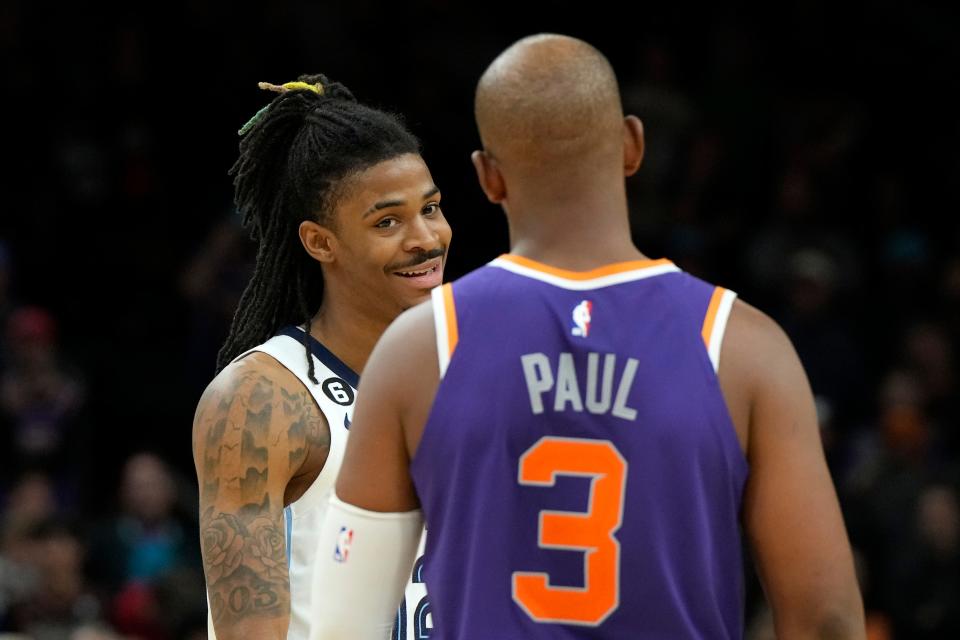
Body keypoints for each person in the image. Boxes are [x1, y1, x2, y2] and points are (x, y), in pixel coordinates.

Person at [310, 35, 866, 639]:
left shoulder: (417, 349)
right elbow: (826, 620)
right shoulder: (744, 345)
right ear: (633, 144)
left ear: (488, 176)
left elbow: (345, 624)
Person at [191, 74, 451, 639]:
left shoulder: (471, 373)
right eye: (388, 221)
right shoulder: (261, 400)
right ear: (320, 242)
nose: (426, 238)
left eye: (430, 208)